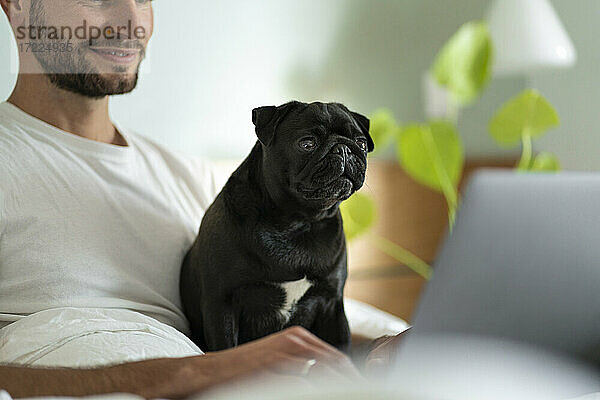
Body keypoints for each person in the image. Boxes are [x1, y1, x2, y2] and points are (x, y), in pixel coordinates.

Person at [0, 0, 401, 398]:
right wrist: (173, 375)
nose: (129, 18)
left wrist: (381, 350)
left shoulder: (201, 181)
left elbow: (297, 319)